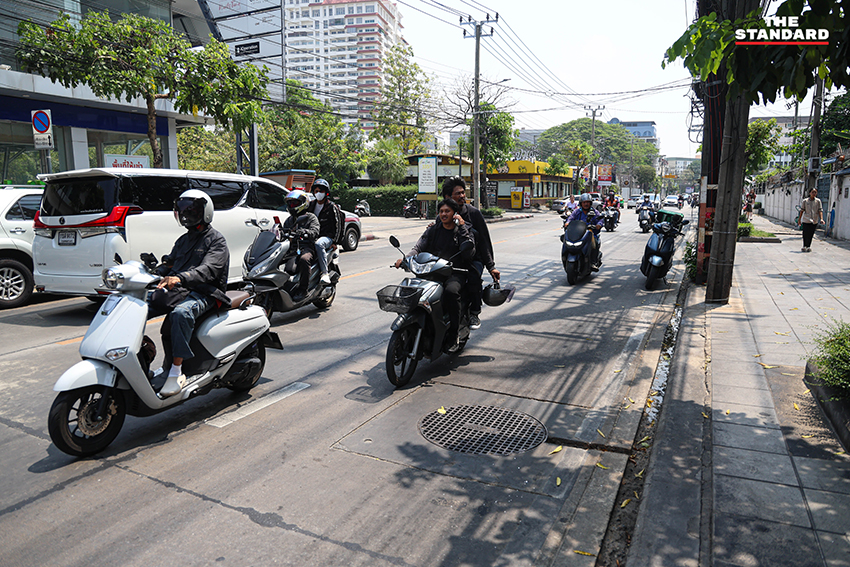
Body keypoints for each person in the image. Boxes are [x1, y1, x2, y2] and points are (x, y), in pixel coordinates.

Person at [153, 190, 230, 397]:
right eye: (183, 211)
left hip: (207, 293)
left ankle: (176, 371)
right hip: (183, 289)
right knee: (140, 305)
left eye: (192, 210)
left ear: (204, 212)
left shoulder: (216, 241)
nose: (186, 215)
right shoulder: (183, 240)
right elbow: (170, 263)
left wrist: (179, 278)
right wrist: (156, 271)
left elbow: (209, 270)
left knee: (181, 314)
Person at [395, 198, 474, 352]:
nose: (444, 214)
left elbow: (469, 252)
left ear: (454, 214)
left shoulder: (461, 231)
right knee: (411, 290)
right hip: (431, 272)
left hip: (454, 273)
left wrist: (463, 226)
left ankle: (453, 336)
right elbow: (418, 246)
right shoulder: (433, 230)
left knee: (451, 292)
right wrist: (405, 259)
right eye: (441, 211)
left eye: (447, 211)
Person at [441, 176, 500, 330]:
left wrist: (491, 266)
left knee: (473, 275)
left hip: (473, 259)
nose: (462, 196)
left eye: (463, 192)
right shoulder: (443, 215)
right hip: (452, 260)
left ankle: (474, 312)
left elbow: (485, 242)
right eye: (457, 194)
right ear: (447, 197)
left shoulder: (474, 214)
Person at [282, 189, 320, 299]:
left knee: (304, 260)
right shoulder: (290, 220)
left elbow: (315, 231)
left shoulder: (311, 217)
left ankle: (304, 290)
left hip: (306, 247)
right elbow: (284, 230)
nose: (292, 205)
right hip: (292, 248)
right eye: (290, 203)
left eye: (295, 203)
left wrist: (305, 232)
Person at [307, 178, 341, 285]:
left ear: (326, 192)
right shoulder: (310, 205)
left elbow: (338, 225)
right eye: (316, 191)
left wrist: (335, 242)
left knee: (319, 244)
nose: (318, 194)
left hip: (326, 236)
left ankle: (324, 273)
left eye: (321, 191)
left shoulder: (331, 207)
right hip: (313, 234)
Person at [564, 193, 604, 270]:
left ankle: (593, 262)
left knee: (594, 242)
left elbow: (600, 219)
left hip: (590, 233)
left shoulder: (594, 212)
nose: (586, 204)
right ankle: (565, 257)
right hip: (578, 233)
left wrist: (599, 224)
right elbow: (571, 218)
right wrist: (567, 222)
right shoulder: (577, 212)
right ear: (581, 203)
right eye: (584, 202)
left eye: (587, 202)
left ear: (590, 203)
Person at [797, 188, 823, 252]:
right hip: (806, 219)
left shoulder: (818, 201)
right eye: (813, 192)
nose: (814, 194)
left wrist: (821, 219)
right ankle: (804, 245)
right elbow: (802, 210)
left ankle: (808, 246)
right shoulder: (805, 201)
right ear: (810, 193)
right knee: (805, 233)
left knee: (811, 234)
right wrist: (799, 219)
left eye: (815, 192)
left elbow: (820, 210)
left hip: (814, 220)